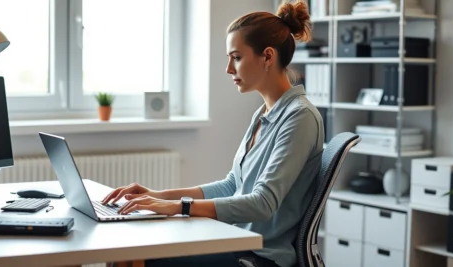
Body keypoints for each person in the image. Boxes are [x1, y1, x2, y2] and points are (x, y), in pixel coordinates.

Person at [101, 0, 323, 266]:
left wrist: (180, 207)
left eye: (237, 58)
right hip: (233, 239)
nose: (229, 69)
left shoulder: (300, 117)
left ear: (267, 57)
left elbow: (263, 203)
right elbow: (233, 185)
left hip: (259, 256)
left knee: (138, 258)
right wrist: (159, 195)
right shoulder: (263, 113)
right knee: (128, 252)